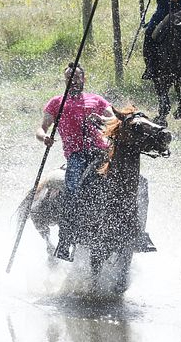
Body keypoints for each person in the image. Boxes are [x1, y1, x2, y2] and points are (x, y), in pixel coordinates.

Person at [36, 64, 155, 261]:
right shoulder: (56, 103)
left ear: (83, 79)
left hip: (103, 151)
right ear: (65, 80)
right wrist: (45, 138)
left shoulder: (96, 100)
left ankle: (139, 233)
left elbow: (112, 117)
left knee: (140, 183)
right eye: (69, 78)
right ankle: (66, 238)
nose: (73, 80)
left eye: (77, 77)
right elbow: (41, 128)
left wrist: (100, 117)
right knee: (73, 188)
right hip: (77, 156)